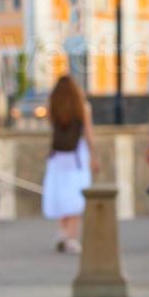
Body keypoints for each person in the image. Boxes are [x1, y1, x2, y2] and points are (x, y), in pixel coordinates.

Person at [42, 75, 96, 254]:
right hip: (77, 156)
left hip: (57, 156)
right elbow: (88, 134)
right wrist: (94, 156)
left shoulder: (53, 107)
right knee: (76, 197)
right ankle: (71, 236)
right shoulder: (83, 107)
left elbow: (50, 125)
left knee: (61, 195)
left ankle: (63, 232)